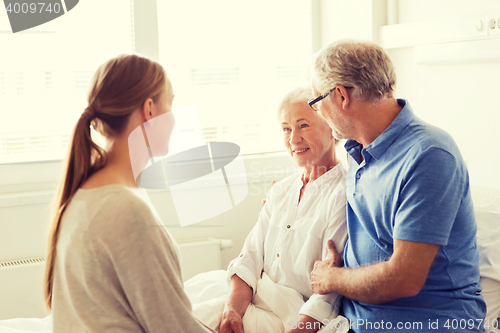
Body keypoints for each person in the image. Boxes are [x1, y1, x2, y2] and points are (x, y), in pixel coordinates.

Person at [308, 40, 487, 332]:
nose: (319, 113)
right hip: (355, 320)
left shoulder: (429, 155)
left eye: (317, 102)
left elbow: (403, 279)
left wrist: (331, 278)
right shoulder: (357, 152)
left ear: (341, 96)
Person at [43, 54, 213, 332]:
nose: (174, 118)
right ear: (149, 109)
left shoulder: (86, 191)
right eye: (170, 103)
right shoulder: (126, 209)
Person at [213, 87, 348, 333]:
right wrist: (232, 310)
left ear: (332, 127)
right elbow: (249, 259)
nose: (293, 139)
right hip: (252, 298)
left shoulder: (343, 195)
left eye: (303, 125)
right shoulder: (280, 191)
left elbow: (329, 296)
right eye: (286, 128)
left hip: (294, 316)